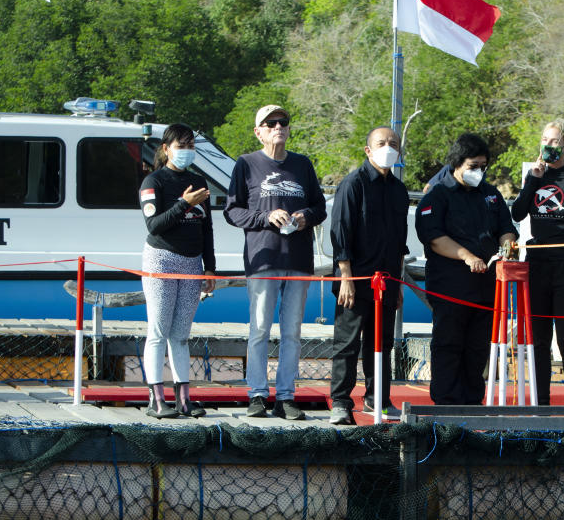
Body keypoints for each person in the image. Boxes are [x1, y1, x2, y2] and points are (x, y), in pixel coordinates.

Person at [224, 105, 327, 419]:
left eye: (282, 122)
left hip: (298, 259)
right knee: (259, 330)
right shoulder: (246, 164)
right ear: (258, 131)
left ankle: (286, 396)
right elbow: (232, 211)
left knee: (292, 332)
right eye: (270, 123)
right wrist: (265, 216)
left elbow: (320, 207)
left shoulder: (303, 164)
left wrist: (304, 217)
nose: (278, 127)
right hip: (263, 259)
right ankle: (257, 394)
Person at [415, 133, 517, 405]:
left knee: (477, 348)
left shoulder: (491, 194)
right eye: (473, 166)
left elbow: (506, 229)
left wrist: (508, 246)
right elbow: (434, 239)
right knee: (449, 344)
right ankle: (446, 401)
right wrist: (467, 257)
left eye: (483, 166)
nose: (478, 171)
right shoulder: (437, 195)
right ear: (457, 164)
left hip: (486, 287)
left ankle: (472, 401)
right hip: (451, 285)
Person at [511, 120, 564, 405]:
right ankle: (541, 401)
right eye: (545, 140)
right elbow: (518, 212)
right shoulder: (534, 176)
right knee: (539, 341)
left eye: (556, 141)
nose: (549, 145)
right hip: (538, 264)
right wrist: (533, 180)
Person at [328, 127, 410, 425]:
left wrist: (398, 282)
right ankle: (340, 402)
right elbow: (340, 233)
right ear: (368, 150)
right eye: (381, 143)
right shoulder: (353, 184)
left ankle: (379, 400)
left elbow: (400, 240)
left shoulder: (399, 190)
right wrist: (346, 277)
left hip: (387, 280)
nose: (387, 148)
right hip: (356, 279)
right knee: (347, 344)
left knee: (382, 343)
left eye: (393, 144)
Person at [139, 123, 216, 419]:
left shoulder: (198, 180)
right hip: (161, 259)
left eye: (190, 145)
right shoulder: (154, 181)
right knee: (158, 330)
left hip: (192, 262)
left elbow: (206, 228)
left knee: (181, 334)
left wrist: (211, 269)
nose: (186, 151)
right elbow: (154, 225)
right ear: (166, 149)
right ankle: (156, 398)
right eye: (180, 146)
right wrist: (184, 203)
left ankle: (184, 398)